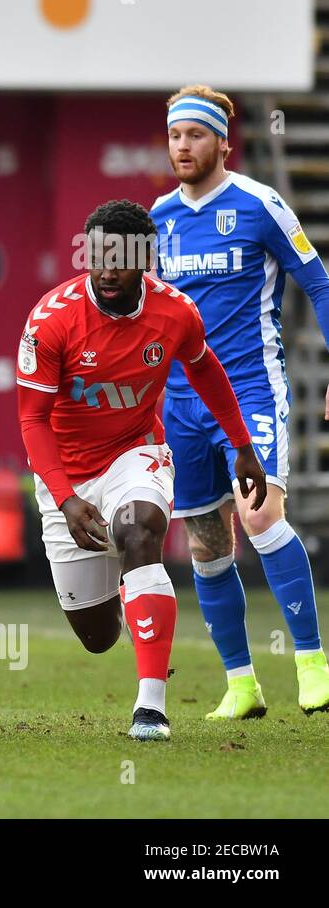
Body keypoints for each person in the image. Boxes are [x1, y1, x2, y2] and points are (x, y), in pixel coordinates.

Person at [16, 198, 264, 741]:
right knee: (98, 637)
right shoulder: (49, 321)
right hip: (67, 476)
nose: (107, 270)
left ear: (147, 259)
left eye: (121, 258)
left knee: (139, 528)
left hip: (136, 453)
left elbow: (207, 372)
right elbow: (32, 421)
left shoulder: (175, 312)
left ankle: (150, 708)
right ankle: (137, 601)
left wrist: (241, 445)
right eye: (98, 255)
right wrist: (63, 497)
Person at [151, 85, 329, 719]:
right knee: (205, 543)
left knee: (258, 517)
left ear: (224, 141)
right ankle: (242, 684)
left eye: (195, 135)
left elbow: (318, 280)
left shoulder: (260, 204)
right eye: (175, 136)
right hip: (181, 403)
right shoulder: (159, 218)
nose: (182, 146)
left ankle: (312, 663)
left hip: (252, 387)